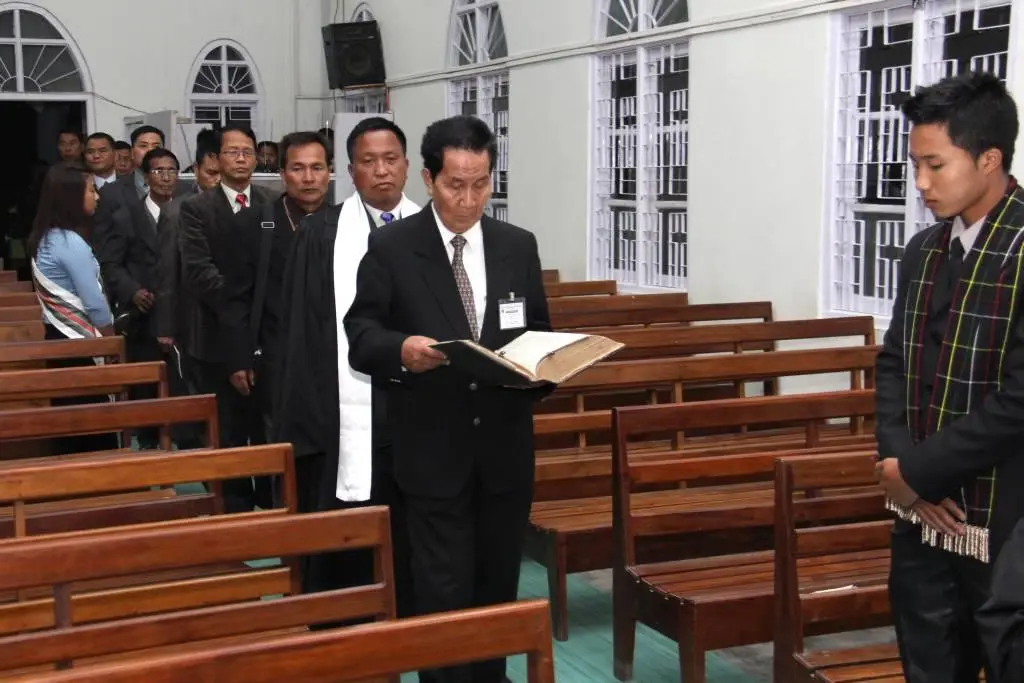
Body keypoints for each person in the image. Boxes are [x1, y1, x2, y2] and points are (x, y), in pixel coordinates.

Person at [344, 115, 551, 683]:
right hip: (433, 452)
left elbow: (537, 331)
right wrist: (401, 350)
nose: (469, 199)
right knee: (441, 591)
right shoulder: (393, 246)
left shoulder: (516, 245)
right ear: (429, 179)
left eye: (481, 184)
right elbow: (361, 334)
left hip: (504, 453)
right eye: (456, 185)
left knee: (496, 588)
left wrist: (547, 368)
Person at [875, 71, 1024, 683]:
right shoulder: (924, 249)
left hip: (1007, 521)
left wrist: (916, 471)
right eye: (915, 164)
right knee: (929, 666)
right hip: (918, 518)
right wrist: (899, 469)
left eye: (935, 165)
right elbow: (894, 363)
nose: (921, 183)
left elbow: (1019, 400)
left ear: (989, 159)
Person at [274, 118, 419, 615]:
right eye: (368, 161)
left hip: (414, 411)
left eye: (391, 159)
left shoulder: (431, 228)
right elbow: (300, 334)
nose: (381, 171)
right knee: (348, 530)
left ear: (407, 166)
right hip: (343, 413)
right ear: (351, 172)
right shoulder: (321, 234)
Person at [179, 123, 273, 511]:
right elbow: (200, 272)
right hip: (216, 336)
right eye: (232, 151)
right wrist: (247, 307)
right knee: (229, 431)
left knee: (266, 429)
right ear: (217, 159)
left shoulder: (272, 202)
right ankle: (235, 509)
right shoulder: (196, 208)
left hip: (267, 338)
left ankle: (271, 504)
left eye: (247, 152)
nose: (240, 158)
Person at [27, 163, 117, 454]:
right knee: (91, 424)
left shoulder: (45, 237)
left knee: (69, 423)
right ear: (71, 196)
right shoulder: (69, 242)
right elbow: (94, 303)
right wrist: (111, 340)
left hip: (56, 339)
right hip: (79, 342)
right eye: (91, 190)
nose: (97, 197)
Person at [94, 148, 181, 450]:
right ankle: (148, 442)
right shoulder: (125, 217)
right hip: (144, 313)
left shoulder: (189, 212)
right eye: (158, 171)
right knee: (146, 383)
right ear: (145, 177)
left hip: (181, 312)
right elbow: (111, 264)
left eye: (171, 170)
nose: (166, 177)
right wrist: (132, 290)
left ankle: (186, 439)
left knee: (182, 383)